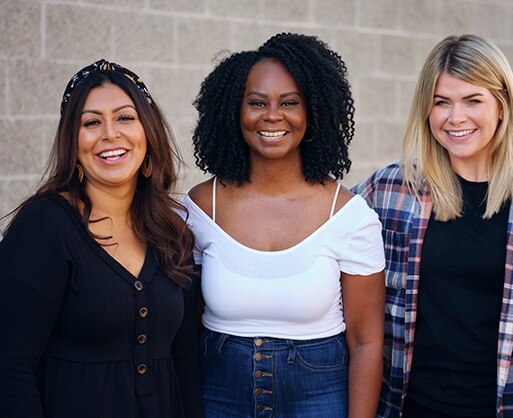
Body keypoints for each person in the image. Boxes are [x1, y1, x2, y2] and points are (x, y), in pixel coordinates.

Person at [353, 34, 513, 417]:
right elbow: (317, 232)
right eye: (441, 102)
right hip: (410, 409)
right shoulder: (390, 191)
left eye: (473, 101)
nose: (456, 117)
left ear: (502, 106)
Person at [182, 33, 386, 418]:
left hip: (319, 396)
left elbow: (366, 342)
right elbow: (182, 330)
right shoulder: (198, 209)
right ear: (233, 112)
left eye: (289, 103)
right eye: (256, 103)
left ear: (313, 113)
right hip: (216, 394)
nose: (272, 115)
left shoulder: (348, 216)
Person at [0, 60, 203, 417]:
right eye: (91, 122)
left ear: (148, 131)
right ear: (73, 143)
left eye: (125, 117)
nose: (110, 134)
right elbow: (10, 366)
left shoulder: (174, 233)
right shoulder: (44, 227)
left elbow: (185, 361)